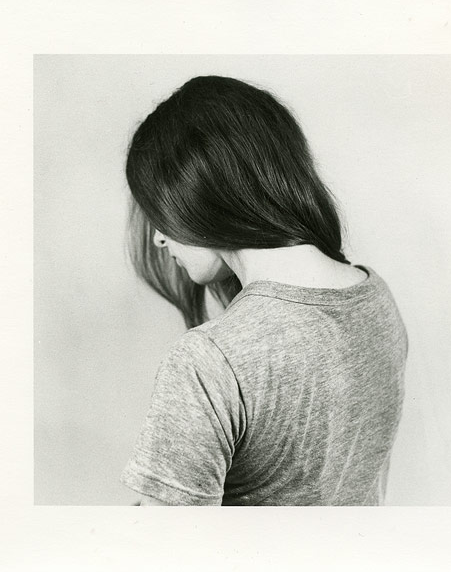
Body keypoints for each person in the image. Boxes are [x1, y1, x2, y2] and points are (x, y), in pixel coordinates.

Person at [120, 75, 409, 506]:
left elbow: (163, 542)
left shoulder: (209, 359)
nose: (159, 238)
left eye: (159, 213)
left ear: (198, 196)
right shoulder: (376, 298)